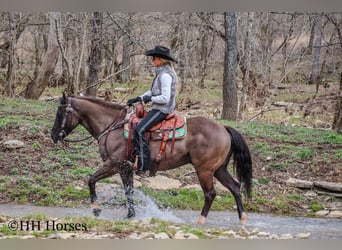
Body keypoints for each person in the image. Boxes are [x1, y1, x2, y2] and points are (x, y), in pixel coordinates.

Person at [127, 45, 178, 175]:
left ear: (160, 60)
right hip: (158, 107)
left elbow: (165, 98)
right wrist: (139, 98)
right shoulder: (160, 73)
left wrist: (150, 99)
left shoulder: (165, 75)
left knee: (139, 129)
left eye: (154, 58)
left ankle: (144, 165)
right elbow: (152, 91)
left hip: (163, 109)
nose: (152, 61)